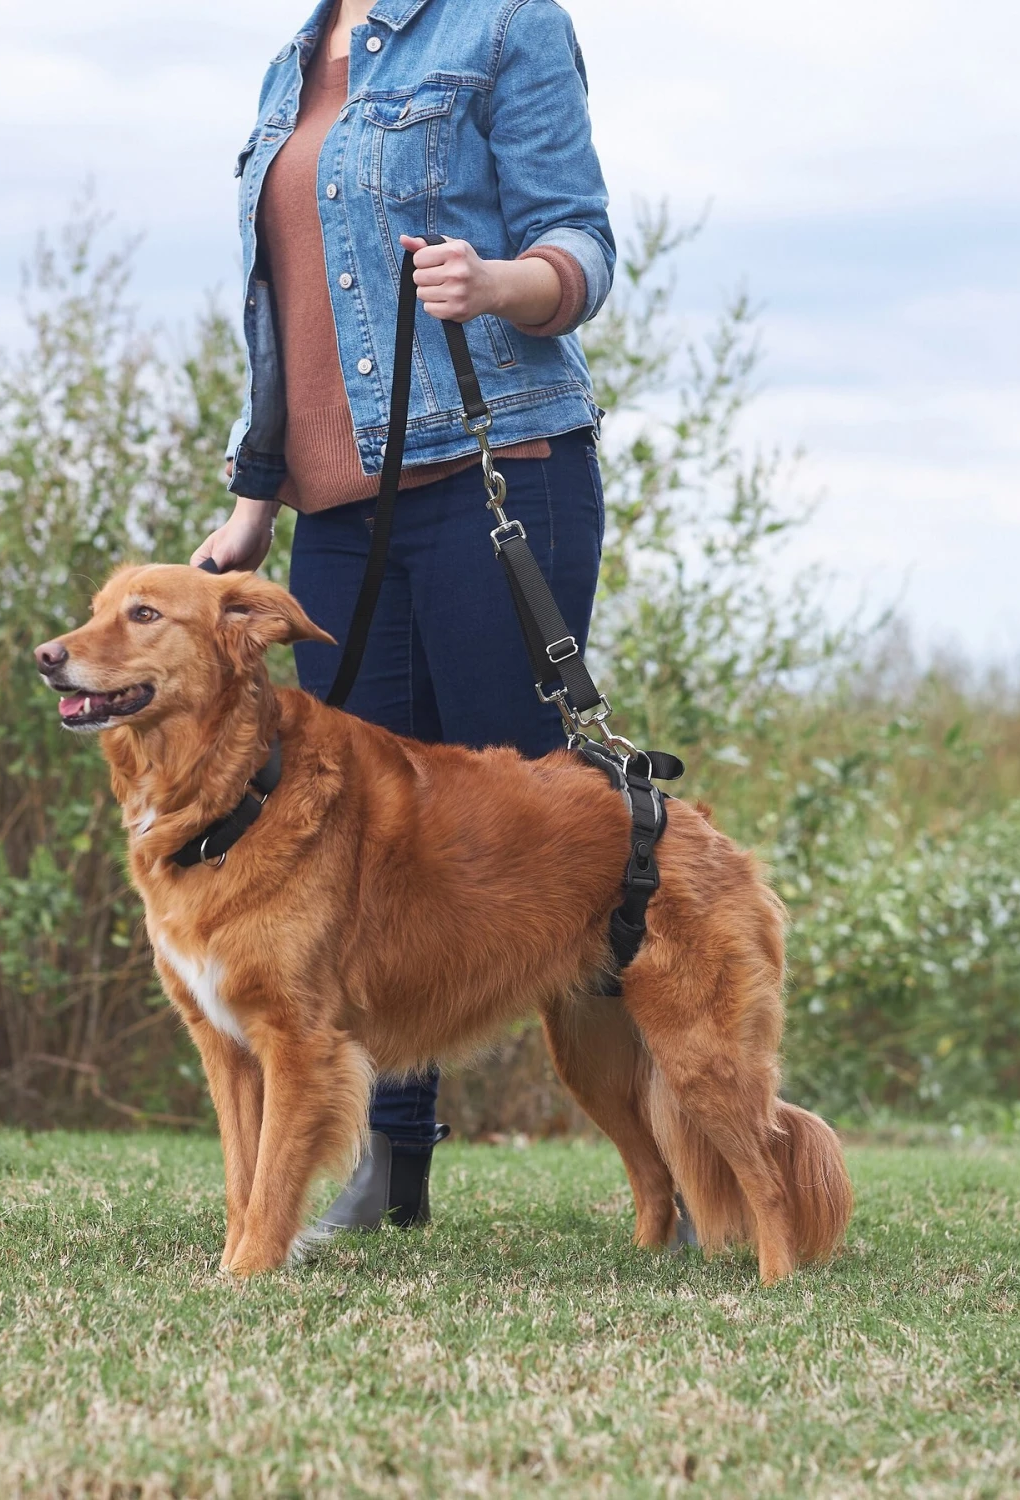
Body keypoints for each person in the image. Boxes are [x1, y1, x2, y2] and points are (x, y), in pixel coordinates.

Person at [192, 0, 614, 1236]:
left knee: (544, 836)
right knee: (348, 850)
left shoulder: (506, 24)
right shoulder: (290, 64)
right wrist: (255, 501)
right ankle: (389, 1170)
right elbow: (286, 318)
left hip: (496, 477)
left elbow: (581, 243)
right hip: (338, 515)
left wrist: (498, 282)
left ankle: (681, 1143)